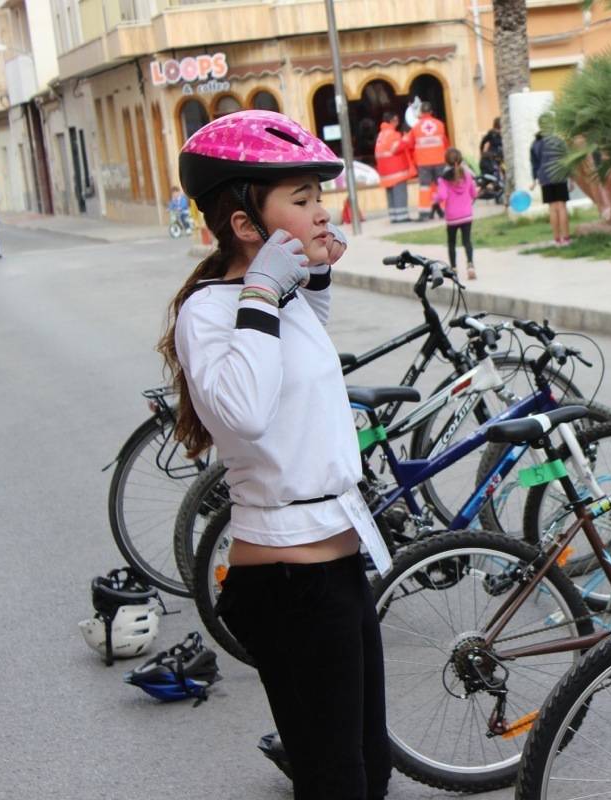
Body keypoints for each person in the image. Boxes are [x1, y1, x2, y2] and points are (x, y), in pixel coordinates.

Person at [161, 110, 393, 800]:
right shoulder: (209, 310)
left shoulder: (278, 295)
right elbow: (245, 412)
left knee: (368, 769)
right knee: (337, 783)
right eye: (302, 199)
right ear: (243, 223)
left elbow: (302, 352)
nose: (323, 212)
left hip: (338, 565)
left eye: (319, 196)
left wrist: (311, 279)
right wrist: (264, 288)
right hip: (292, 585)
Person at [434, 147, 477, 280]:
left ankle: (453, 269)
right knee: (467, 241)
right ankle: (470, 265)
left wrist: (434, 199)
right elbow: (474, 193)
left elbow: (442, 195)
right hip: (466, 215)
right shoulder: (468, 175)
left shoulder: (444, 179)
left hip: (452, 217)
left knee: (451, 243)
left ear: (446, 162)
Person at [404, 101, 449, 221]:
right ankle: (445, 209)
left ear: (421, 113)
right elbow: (445, 143)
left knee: (425, 187)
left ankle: (424, 213)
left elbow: (410, 144)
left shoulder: (416, 127)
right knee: (442, 185)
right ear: (431, 112)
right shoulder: (440, 124)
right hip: (440, 160)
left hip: (423, 163)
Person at [531, 129, 570, 246]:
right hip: (559, 175)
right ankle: (566, 238)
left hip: (545, 177)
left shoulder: (535, 143)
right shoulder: (558, 141)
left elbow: (534, 164)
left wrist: (534, 180)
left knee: (552, 208)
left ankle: (557, 239)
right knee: (562, 207)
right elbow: (567, 159)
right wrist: (571, 178)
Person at [375, 110, 415, 223]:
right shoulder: (393, 134)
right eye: (396, 120)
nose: (397, 122)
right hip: (396, 170)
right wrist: (406, 139)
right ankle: (402, 217)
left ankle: (393, 216)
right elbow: (396, 148)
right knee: (400, 193)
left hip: (385, 172)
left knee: (390, 194)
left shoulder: (381, 134)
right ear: (392, 121)